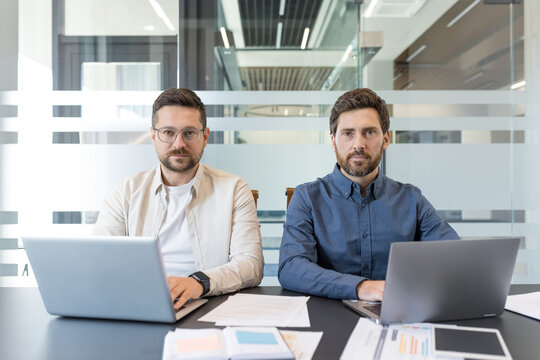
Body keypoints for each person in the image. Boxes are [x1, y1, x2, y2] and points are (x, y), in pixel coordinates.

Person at [278, 88, 459, 301]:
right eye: (348, 133)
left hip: (398, 315)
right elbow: (291, 267)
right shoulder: (307, 197)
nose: (358, 145)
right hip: (329, 317)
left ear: (386, 139)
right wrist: (362, 287)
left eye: (369, 132)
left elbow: (453, 256)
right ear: (333, 141)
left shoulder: (411, 199)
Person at [93, 88, 263, 309]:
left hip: (209, 304)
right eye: (168, 132)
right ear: (154, 136)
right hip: (140, 305)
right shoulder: (125, 192)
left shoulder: (234, 189)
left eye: (190, 133)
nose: (179, 144)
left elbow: (251, 265)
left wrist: (200, 282)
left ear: (205, 136)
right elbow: (100, 261)